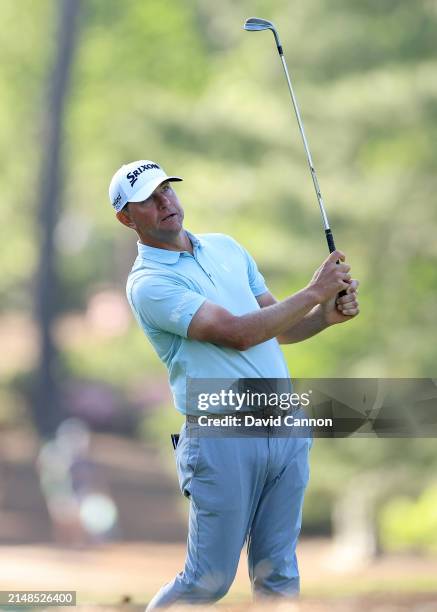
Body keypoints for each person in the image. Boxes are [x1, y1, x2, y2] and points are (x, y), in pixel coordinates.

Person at [108, 160, 359, 609]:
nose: (165, 201)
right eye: (148, 199)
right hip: (220, 434)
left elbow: (276, 326)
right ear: (126, 218)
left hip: (284, 427)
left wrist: (324, 317)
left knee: (279, 574)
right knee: (208, 581)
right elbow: (237, 333)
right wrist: (315, 292)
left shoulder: (226, 247)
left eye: (168, 189)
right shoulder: (149, 283)